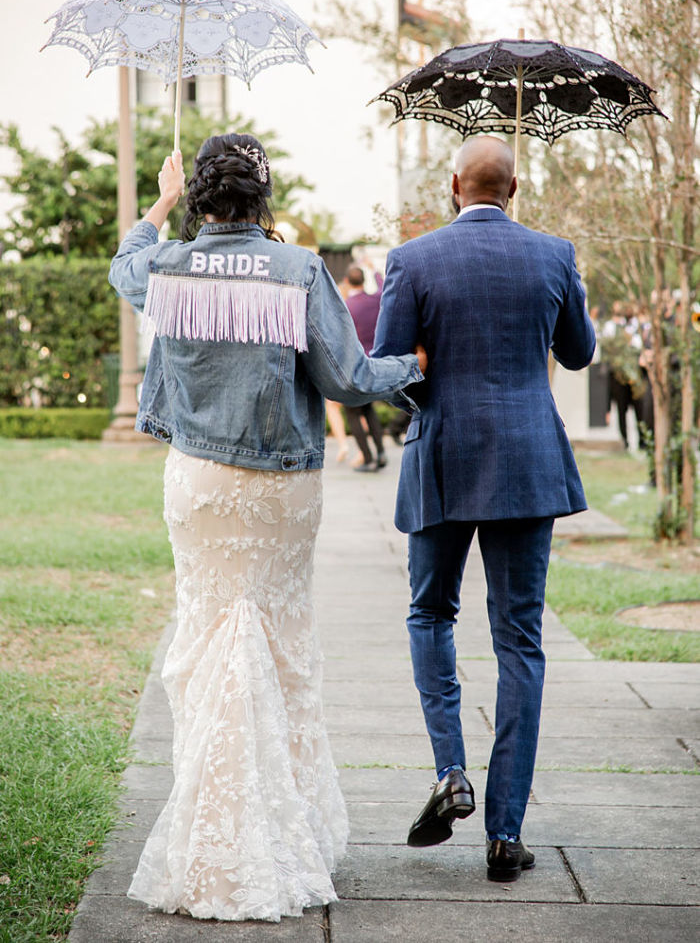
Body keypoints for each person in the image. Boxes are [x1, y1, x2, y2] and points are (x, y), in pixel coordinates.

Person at [108, 133, 425, 922]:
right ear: (263, 198)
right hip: (282, 487)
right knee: (280, 649)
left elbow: (123, 266)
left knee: (205, 639)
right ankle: (287, 831)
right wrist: (413, 364)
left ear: (199, 198)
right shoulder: (296, 270)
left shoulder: (168, 264)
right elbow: (349, 378)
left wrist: (157, 197)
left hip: (201, 485)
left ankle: (212, 837)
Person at [372, 135, 596, 882]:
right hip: (529, 463)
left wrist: (428, 393)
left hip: (441, 458)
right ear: (515, 188)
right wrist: (566, 290)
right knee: (519, 641)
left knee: (431, 614)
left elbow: (390, 368)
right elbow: (578, 353)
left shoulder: (413, 259)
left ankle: (451, 774)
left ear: (456, 183)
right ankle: (506, 834)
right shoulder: (554, 254)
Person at [342, 264, 386, 472]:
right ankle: (381, 452)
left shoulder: (347, 306)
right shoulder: (375, 300)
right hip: (374, 362)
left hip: (355, 364)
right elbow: (383, 286)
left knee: (352, 413)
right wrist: (374, 270)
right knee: (368, 409)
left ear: (348, 282)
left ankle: (368, 458)